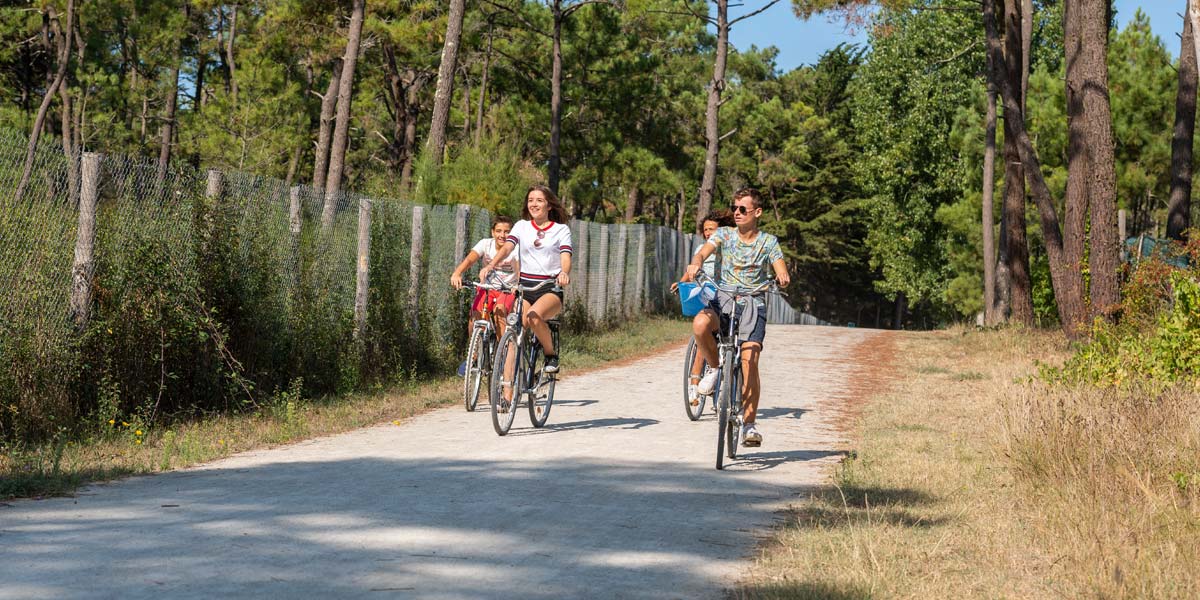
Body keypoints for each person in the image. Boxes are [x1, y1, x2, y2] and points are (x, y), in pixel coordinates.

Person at [681, 188, 790, 447]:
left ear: (757, 212)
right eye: (735, 208)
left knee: (750, 359)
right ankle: (717, 369)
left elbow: (779, 265)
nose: (737, 213)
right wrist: (695, 262)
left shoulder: (768, 242)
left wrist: (783, 276)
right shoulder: (723, 234)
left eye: (743, 209)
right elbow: (703, 251)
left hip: (754, 303)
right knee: (700, 324)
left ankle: (749, 426)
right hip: (724, 298)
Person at [480, 185, 573, 375]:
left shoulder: (561, 230)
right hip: (525, 289)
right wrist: (491, 265)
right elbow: (507, 247)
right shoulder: (521, 226)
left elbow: (565, 256)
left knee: (533, 316)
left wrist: (563, 273)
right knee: (512, 332)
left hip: (549, 288)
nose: (534, 204)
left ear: (549, 206)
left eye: (539, 200)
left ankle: (550, 355)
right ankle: (506, 393)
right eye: (530, 200)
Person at [672, 210, 736, 408]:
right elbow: (692, 268)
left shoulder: (729, 247)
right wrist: (681, 282)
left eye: (712, 229)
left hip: (724, 295)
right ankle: (694, 383)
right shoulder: (701, 248)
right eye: (706, 229)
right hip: (704, 293)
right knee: (701, 336)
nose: (709, 233)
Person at [450, 215, 519, 376]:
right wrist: (457, 273)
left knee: (500, 312)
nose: (503, 235)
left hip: (507, 290)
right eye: (499, 231)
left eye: (507, 232)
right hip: (488, 287)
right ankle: (473, 355)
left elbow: (518, 267)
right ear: (493, 232)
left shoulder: (514, 248)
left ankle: (503, 356)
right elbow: (470, 259)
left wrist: (518, 284)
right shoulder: (485, 244)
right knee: (474, 317)